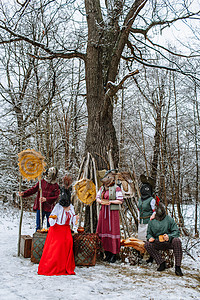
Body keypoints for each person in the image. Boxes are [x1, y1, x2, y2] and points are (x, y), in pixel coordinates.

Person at [38, 187, 79, 276]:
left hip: (66, 230)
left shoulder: (71, 207)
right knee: (57, 246)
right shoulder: (58, 207)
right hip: (56, 229)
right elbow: (51, 217)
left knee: (68, 242)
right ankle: (53, 266)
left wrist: (75, 219)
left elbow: (73, 220)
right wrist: (54, 218)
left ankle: (64, 266)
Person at [144, 201, 183, 276]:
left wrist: (169, 236)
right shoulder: (152, 221)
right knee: (147, 245)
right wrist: (150, 238)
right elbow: (148, 233)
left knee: (177, 240)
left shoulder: (169, 219)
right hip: (158, 242)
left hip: (169, 242)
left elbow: (176, 232)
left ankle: (178, 267)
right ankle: (161, 263)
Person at [96, 169, 123, 263]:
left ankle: (113, 254)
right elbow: (98, 198)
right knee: (104, 230)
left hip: (112, 212)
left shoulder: (116, 188)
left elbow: (120, 200)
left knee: (113, 231)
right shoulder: (102, 188)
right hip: (103, 212)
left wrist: (110, 202)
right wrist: (101, 201)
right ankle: (106, 252)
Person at [138, 174, 156, 242]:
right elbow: (139, 210)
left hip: (148, 222)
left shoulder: (152, 200)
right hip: (141, 222)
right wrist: (138, 218)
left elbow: (154, 211)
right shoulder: (140, 199)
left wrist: (152, 217)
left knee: (148, 238)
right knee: (141, 238)